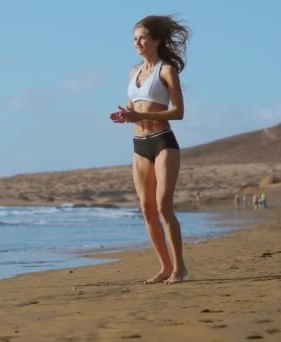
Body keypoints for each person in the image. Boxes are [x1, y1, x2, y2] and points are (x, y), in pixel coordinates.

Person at [110, 15, 189, 284]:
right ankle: (165, 267)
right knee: (146, 210)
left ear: (157, 40)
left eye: (142, 37)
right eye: (134, 38)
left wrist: (143, 117)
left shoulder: (167, 70)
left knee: (163, 206)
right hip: (139, 145)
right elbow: (132, 109)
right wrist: (126, 116)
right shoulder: (133, 72)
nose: (138, 42)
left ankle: (180, 268)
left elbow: (178, 112)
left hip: (163, 142)